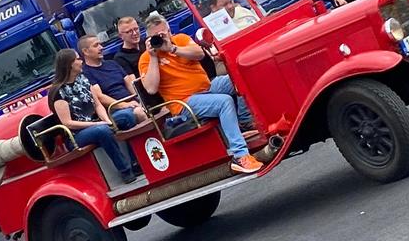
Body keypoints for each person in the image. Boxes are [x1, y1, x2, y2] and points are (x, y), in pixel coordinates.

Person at [138, 14, 263, 174]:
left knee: (238, 76)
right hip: (184, 103)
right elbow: (151, 88)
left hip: (208, 87)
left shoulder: (181, 39)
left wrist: (172, 48)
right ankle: (240, 156)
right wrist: (154, 57)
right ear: (149, 38)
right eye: (157, 36)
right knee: (224, 102)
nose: (162, 38)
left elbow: (200, 54)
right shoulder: (146, 59)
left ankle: (246, 123)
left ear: (169, 30)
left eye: (164, 33)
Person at [48, 49, 135, 184]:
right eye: (78, 59)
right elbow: (67, 123)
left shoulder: (82, 79)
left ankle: (135, 162)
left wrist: (107, 121)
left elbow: (98, 105)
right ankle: (125, 171)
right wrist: (97, 124)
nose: (81, 61)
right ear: (69, 64)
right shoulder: (58, 91)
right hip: (76, 135)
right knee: (102, 131)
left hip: (97, 122)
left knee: (127, 115)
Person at [78, 35, 147, 130]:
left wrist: (140, 99)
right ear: (85, 51)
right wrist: (125, 105)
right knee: (138, 112)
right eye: (96, 45)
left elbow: (130, 84)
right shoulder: (85, 73)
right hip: (114, 109)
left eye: (100, 44)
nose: (101, 48)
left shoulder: (113, 64)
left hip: (132, 102)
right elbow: (100, 97)